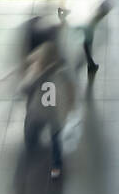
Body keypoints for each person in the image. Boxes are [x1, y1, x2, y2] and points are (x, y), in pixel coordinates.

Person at [19, 35, 76, 181]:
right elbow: (70, 88)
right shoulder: (63, 71)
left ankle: (31, 153)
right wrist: (70, 104)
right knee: (56, 139)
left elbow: (25, 88)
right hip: (56, 112)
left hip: (38, 110)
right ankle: (56, 167)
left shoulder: (37, 71)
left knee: (30, 129)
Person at [60, 0, 109, 76]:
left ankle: (88, 62)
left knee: (81, 41)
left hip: (77, 18)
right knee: (87, 42)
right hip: (87, 19)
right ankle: (89, 63)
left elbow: (66, 0)